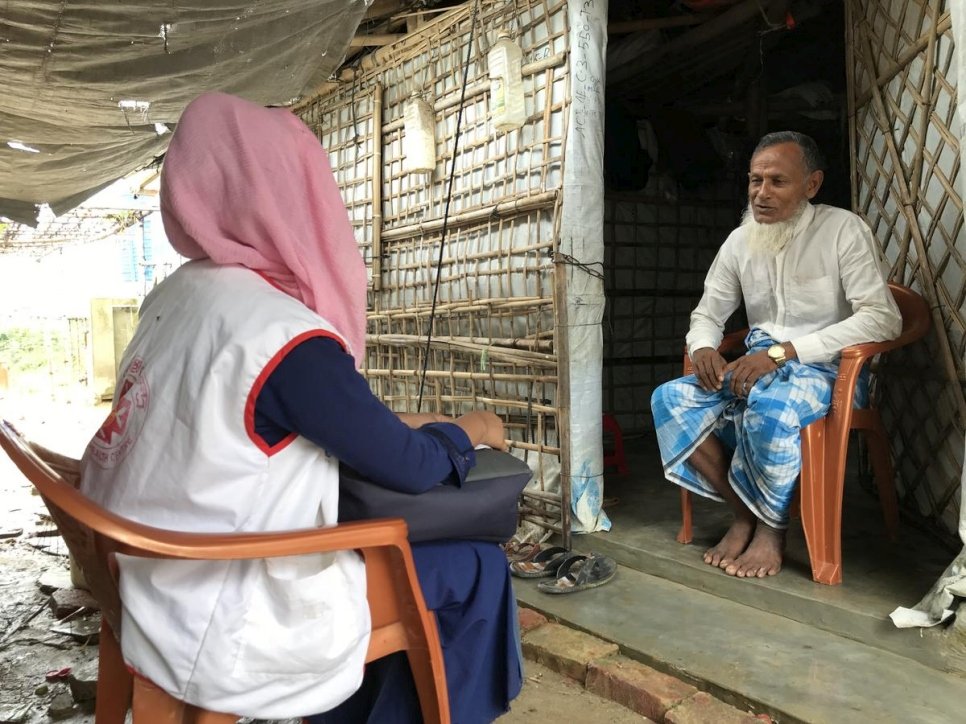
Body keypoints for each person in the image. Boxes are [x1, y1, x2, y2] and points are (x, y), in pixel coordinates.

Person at [79, 92, 522, 722]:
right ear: (294, 199)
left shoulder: (174, 299)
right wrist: (467, 431)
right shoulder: (284, 334)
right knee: (475, 564)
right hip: (222, 606)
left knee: (405, 566)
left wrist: (404, 425)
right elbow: (408, 468)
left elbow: (272, 417)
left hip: (144, 574)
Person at [650, 131, 902, 580]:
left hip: (828, 370)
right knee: (670, 399)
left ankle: (771, 529)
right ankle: (744, 513)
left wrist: (785, 353)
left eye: (777, 182)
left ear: (812, 184)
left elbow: (883, 319)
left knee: (770, 407)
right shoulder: (740, 240)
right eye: (754, 180)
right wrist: (704, 345)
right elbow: (707, 311)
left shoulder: (842, 230)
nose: (761, 193)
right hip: (757, 367)